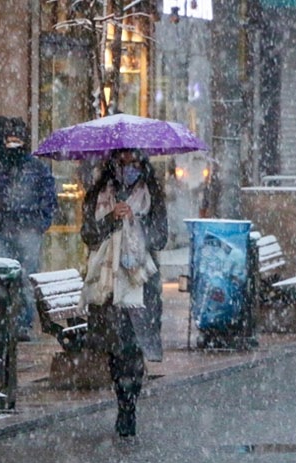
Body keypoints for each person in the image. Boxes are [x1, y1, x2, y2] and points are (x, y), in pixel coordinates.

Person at [80, 149, 167, 438]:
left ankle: (129, 406)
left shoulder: (150, 194)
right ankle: (122, 398)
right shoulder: (99, 193)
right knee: (116, 350)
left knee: (133, 347)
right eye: (123, 162)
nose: (129, 168)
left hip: (140, 280)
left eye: (134, 163)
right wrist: (111, 219)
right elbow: (89, 234)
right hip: (108, 281)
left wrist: (136, 222)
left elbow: (161, 237)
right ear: (113, 164)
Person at [0, 116, 57, 341]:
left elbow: (48, 196)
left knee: (25, 279)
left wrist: (40, 222)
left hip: (28, 230)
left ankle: (23, 323)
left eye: (16, 140)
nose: (13, 146)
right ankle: (3, 322)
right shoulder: (1, 166)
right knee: (1, 277)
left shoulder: (35, 168)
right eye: (9, 140)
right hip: (4, 229)